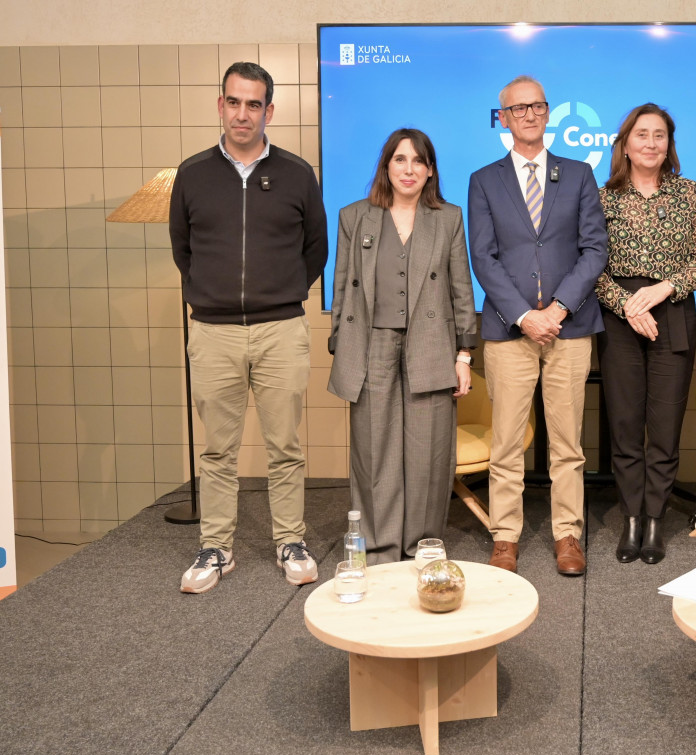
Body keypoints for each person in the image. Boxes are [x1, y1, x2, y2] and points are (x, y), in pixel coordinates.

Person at [169, 62, 327, 593]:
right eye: (234, 102)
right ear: (220, 105)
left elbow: (315, 250)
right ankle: (216, 548)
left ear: (269, 111)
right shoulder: (192, 174)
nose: (243, 113)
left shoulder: (297, 173)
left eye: (254, 104)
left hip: (281, 327)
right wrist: (213, 298)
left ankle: (290, 540)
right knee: (218, 449)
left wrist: (281, 293)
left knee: (285, 444)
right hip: (213, 331)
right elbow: (183, 251)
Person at [467, 75, 607, 576]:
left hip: (569, 327)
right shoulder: (484, 180)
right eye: (518, 108)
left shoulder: (579, 175)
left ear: (548, 113)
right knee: (506, 440)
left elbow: (595, 250)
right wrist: (526, 316)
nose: (529, 114)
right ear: (502, 118)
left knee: (567, 443)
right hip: (510, 331)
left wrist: (558, 309)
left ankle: (567, 534)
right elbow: (482, 257)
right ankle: (505, 536)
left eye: (538, 106)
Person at [327, 129, 477, 563]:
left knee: (429, 453)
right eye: (400, 160)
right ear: (386, 167)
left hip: (431, 345)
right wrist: (341, 343)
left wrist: (464, 355)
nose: (408, 169)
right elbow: (341, 287)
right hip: (370, 345)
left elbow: (460, 290)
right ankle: (379, 547)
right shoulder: (355, 217)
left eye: (418, 161)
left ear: (430, 170)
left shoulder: (448, 218)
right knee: (375, 451)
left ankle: (423, 544)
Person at [597, 103, 696, 565]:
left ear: (670, 143)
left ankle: (654, 521)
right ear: (625, 142)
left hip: (674, 312)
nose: (650, 143)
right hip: (619, 316)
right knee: (625, 426)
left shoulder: (689, 192)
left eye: (659, 135)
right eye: (641, 134)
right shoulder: (602, 196)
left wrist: (664, 289)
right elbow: (588, 261)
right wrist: (627, 303)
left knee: (664, 429)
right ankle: (631, 519)